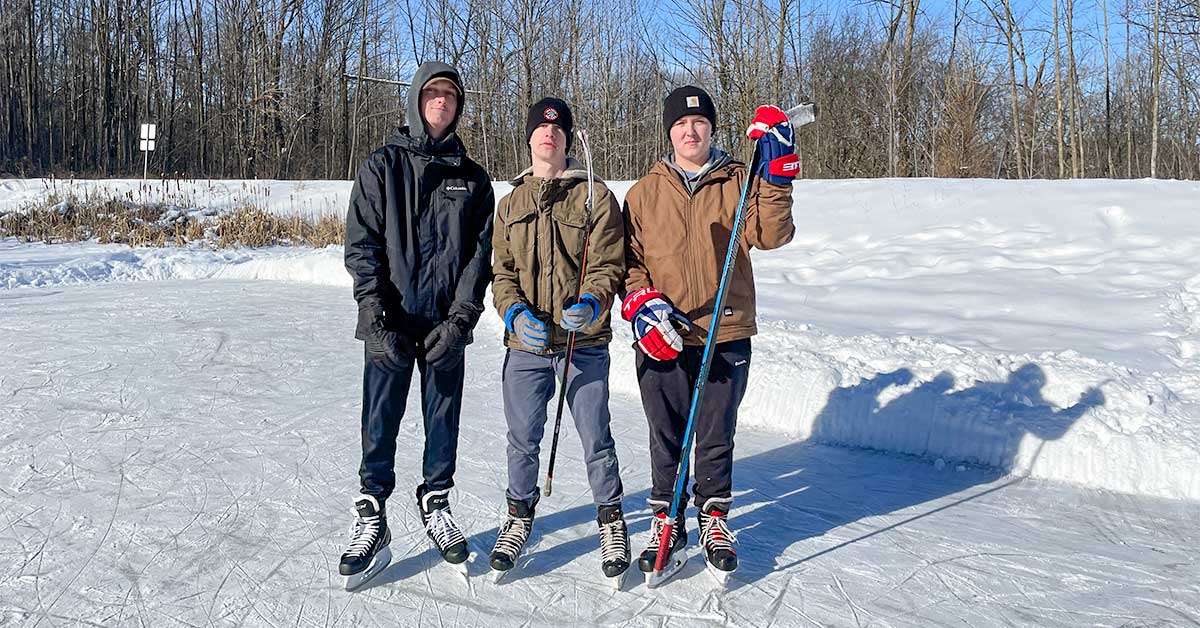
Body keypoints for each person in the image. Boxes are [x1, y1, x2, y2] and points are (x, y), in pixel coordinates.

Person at [620, 86, 799, 580]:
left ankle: (713, 515)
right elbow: (629, 264)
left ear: (712, 129)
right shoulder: (643, 194)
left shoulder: (740, 178)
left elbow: (772, 234)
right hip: (663, 332)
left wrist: (778, 174)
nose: (690, 131)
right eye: (680, 123)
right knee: (666, 432)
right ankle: (667, 520)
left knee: (716, 432)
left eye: (698, 122)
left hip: (725, 328)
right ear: (669, 132)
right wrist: (642, 305)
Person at [337, 61, 495, 589]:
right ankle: (372, 513)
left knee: (443, 417)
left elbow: (479, 256)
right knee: (380, 418)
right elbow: (362, 245)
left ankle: (437, 501)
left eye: (450, 95)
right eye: (433, 93)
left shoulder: (472, 178)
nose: (441, 101)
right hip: (390, 320)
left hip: (445, 323)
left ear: (459, 106)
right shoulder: (382, 165)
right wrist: (373, 314)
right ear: (415, 101)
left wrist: (461, 319)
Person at [488, 97, 630, 582]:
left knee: (596, 437)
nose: (549, 134)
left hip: (582, 344)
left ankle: (611, 518)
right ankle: (518, 515)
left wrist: (592, 302)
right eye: (541, 128)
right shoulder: (510, 205)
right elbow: (502, 274)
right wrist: (512, 313)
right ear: (530, 137)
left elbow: (610, 265)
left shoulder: (595, 196)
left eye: (558, 128)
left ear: (567, 139)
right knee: (522, 438)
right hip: (527, 347)